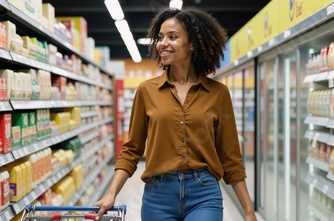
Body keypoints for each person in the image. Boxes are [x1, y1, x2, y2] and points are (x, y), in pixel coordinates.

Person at [93, 7, 257, 221]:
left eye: (173, 37)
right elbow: (132, 150)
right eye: (160, 37)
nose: (163, 43)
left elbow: (230, 158)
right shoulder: (146, 91)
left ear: (192, 44)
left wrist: (248, 211)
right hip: (158, 196)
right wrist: (111, 194)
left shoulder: (218, 93)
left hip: (204, 194)